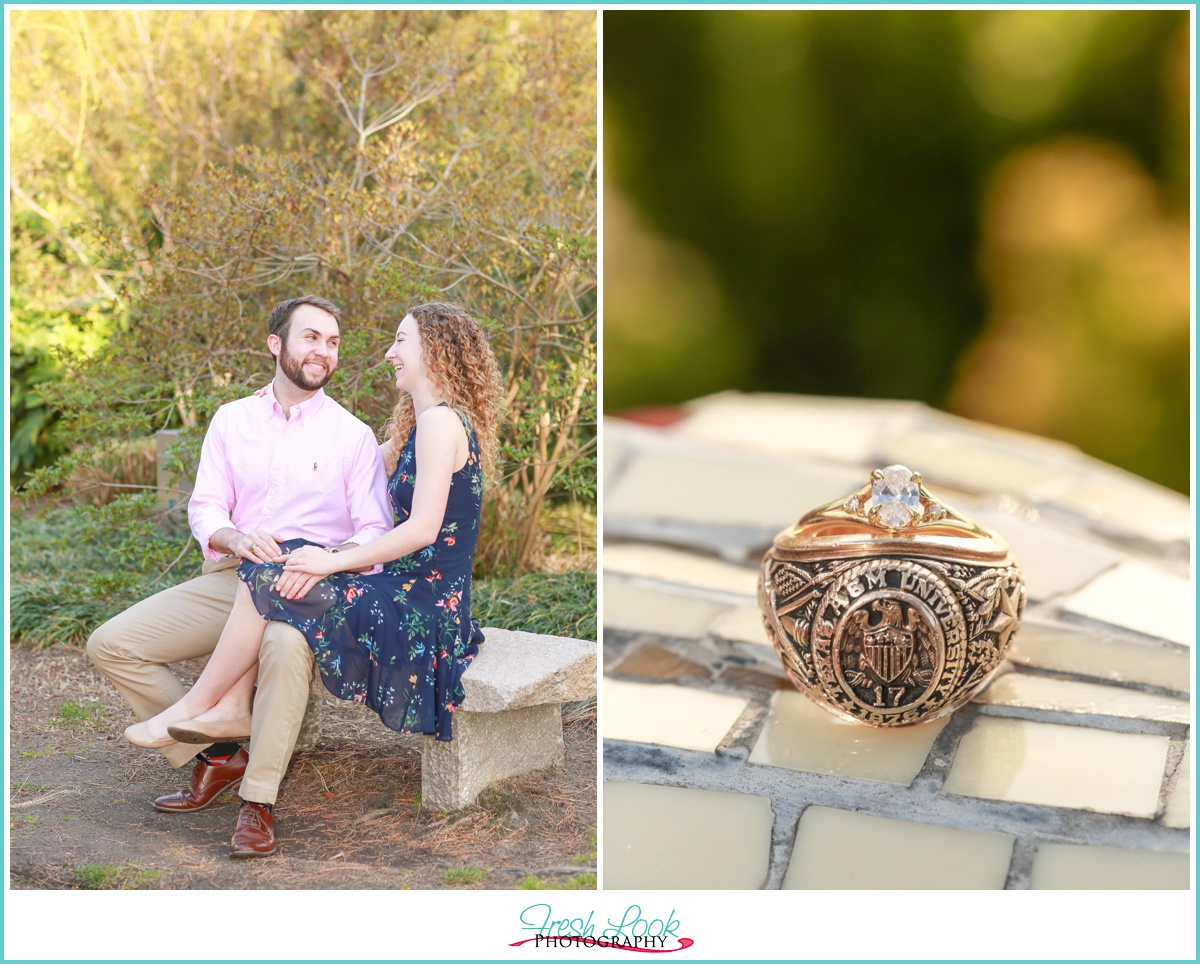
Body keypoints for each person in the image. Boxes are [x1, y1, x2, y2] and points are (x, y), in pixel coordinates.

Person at [119, 301, 503, 854]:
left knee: (282, 572)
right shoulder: (416, 428)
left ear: (435, 352)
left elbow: (421, 531)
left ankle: (200, 707)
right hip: (395, 588)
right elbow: (348, 470)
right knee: (277, 568)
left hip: (422, 603)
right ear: (277, 344)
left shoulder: (442, 424)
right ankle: (224, 717)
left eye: (401, 341)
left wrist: (325, 559)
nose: (389, 353)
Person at [89, 294, 393, 858]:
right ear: (276, 344)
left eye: (331, 341)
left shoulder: (351, 435)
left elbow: (374, 531)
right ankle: (220, 755)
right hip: (236, 574)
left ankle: (259, 801)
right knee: (112, 643)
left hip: (310, 586)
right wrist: (234, 536)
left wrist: (320, 560)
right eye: (310, 338)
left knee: (281, 647)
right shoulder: (233, 419)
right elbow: (206, 508)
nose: (323, 352)